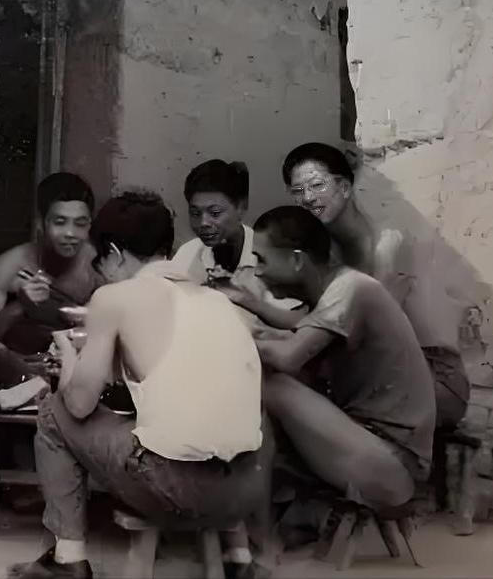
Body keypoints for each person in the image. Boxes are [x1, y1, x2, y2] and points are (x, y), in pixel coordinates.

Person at [10, 190, 274, 579]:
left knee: (54, 410)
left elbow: (79, 404)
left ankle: (68, 559)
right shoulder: (219, 302)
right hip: (248, 490)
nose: (101, 274)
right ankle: (239, 557)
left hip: (175, 489)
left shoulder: (115, 297)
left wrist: (67, 351)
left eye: (100, 263)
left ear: (115, 253)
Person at [240, 206, 435, 510]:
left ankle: (255, 523)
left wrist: (234, 339)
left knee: (270, 382)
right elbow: (291, 332)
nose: (258, 271)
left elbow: (289, 356)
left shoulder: (349, 288)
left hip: (394, 465)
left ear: (296, 260)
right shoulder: (333, 291)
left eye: (262, 259)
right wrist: (253, 323)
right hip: (371, 450)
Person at [282, 142, 469, 429]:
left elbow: (367, 332)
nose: (307, 198)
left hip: (435, 379)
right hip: (378, 371)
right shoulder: (325, 252)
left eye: (317, 185)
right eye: (297, 191)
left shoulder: (387, 244)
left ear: (344, 187)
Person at [0, 172, 103, 389]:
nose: (70, 233)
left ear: (90, 225)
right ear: (42, 223)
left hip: (75, 365)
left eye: (80, 224)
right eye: (60, 222)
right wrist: (21, 306)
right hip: (21, 366)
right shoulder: (11, 265)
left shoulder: (97, 265)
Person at [173, 159, 304, 330]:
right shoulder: (187, 254)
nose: (203, 223)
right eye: (195, 213)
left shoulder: (269, 253)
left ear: (241, 207)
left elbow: (298, 321)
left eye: (215, 213)